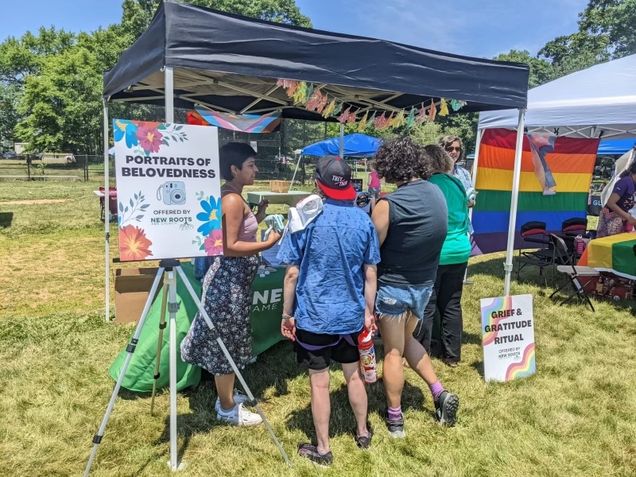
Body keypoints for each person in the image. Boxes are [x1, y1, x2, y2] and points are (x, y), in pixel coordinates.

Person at [278, 156, 380, 466]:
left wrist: (286, 314)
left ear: (317, 184)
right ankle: (362, 431)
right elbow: (371, 274)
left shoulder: (305, 218)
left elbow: (292, 273)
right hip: (350, 315)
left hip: (315, 316)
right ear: (349, 184)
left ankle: (323, 448)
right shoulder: (364, 220)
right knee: (354, 376)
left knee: (319, 382)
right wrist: (368, 312)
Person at [181, 142, 281, 426]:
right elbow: (229, 246)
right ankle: (226, 408)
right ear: (234, 169)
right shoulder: (233, 200)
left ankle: (225, 394)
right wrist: (269, 242)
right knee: (226, 343)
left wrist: (258, 216)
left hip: (233, 281)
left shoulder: (235, 196)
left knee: (230, 339)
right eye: (250, 165)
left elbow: (237, 232)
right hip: (229, 283)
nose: (256, 170)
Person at [371, 137, 459, 438]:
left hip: (393, 287)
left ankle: (395, 419)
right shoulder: (437, 193)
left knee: (393, 352)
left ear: (390, 166)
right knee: (408, 341)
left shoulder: (388, 204)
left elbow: (371, 252)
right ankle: (439, 392)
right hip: (424, 284)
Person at [415, 145, 471, 368]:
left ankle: (421, 354)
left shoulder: (428, 186)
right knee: (452, 303)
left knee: (427, 305)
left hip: (437, 252)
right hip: (460, 249)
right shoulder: (457, 182)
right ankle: (452, 355)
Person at [597, 161, 636, 237]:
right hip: (611, 218)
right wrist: (628, 217)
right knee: (607, 244)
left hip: (622, 218)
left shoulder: (634, 184)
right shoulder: (625, 182)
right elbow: (610, 203)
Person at [439, 135, 474, 206]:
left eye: (457, 149)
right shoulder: (435, 173)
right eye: (450, 149)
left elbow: (472, 202)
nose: (454, 152)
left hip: (461, 216)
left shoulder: (465, 174)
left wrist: (471, 201)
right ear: (442, 150)